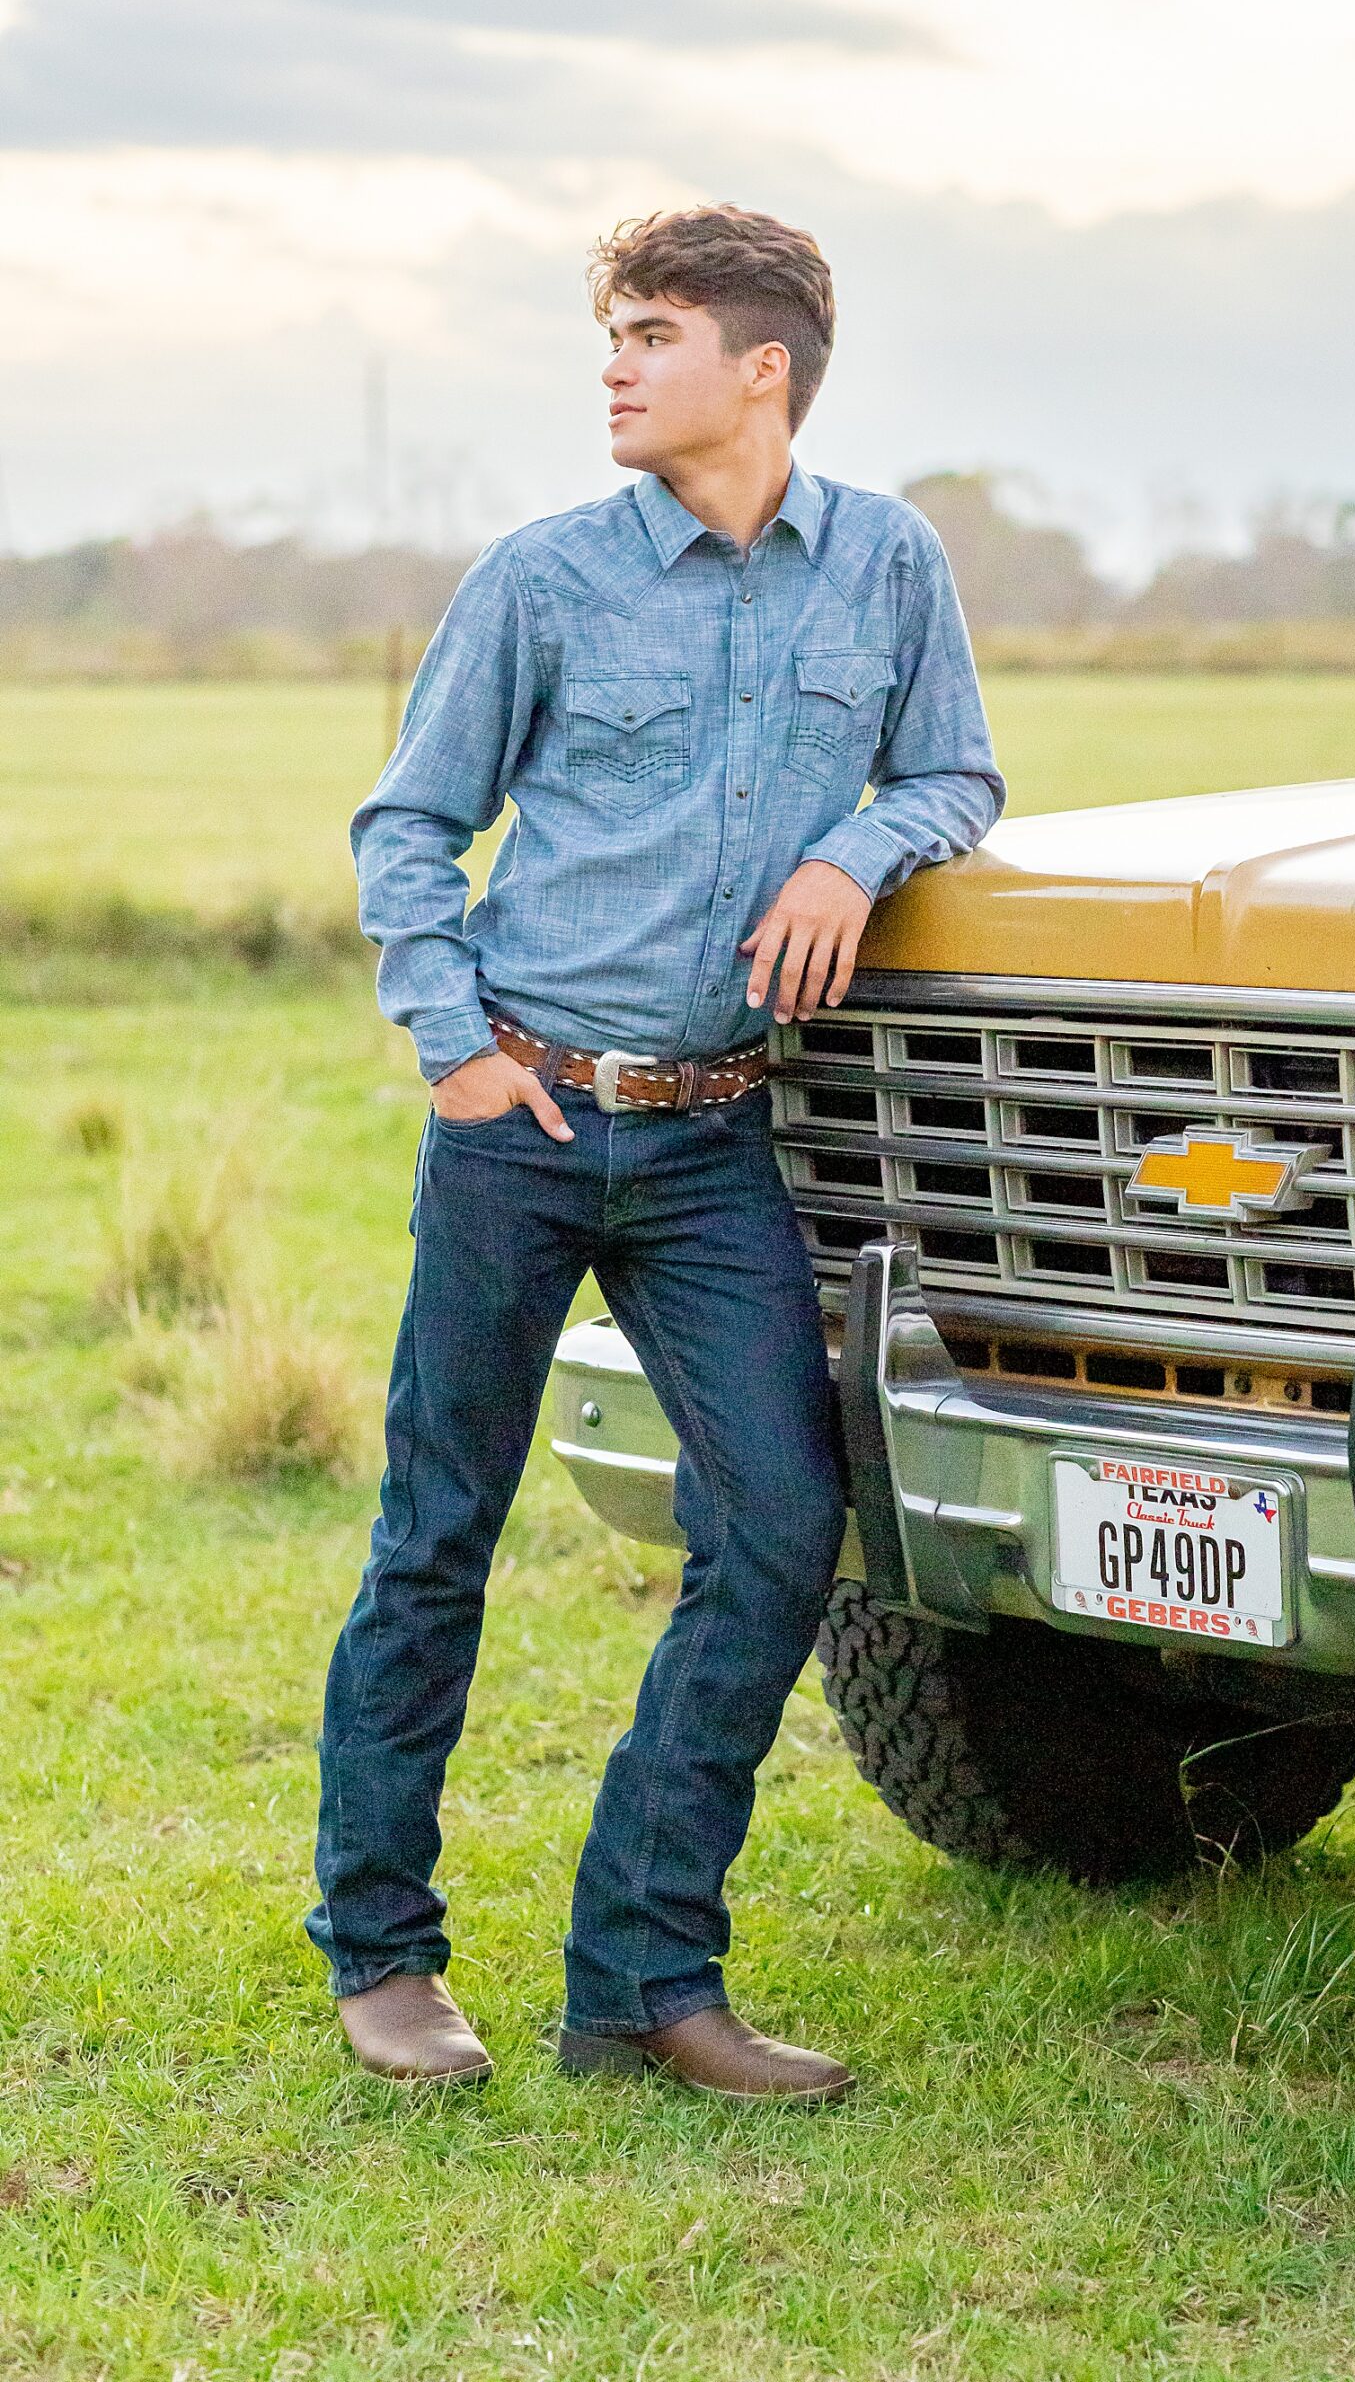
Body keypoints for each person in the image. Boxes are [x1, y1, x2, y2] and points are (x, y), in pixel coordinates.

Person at [306, 204, 1005, 2103]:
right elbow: (410, 826)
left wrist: (848, 852)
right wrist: (452, 1050)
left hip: (715, 1140)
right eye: (611, 335)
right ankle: (383, 1956)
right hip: (522, 1115)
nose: (612, 367)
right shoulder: (540, 579)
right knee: (435, 1535)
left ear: (761, 368)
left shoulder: (887, 566)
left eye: (651, 333)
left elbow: (958, 772)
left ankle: (641, 1979)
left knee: (783, 1531)